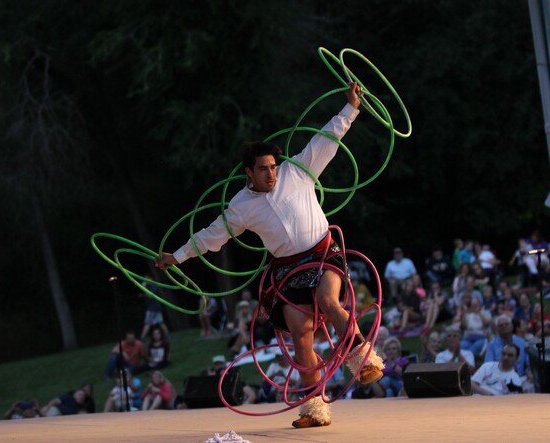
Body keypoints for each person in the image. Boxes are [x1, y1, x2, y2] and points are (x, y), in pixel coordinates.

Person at [155, 82, 384, 428]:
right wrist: (178, 255)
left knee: (328, 300)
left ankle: (365, 360)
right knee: (300, 336)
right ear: (249, 171)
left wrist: (351, 108)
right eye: (263, 169)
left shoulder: (299, 171)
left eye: (274, 166)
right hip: (289, 269)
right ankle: (315, 409)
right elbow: (212, 235)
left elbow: (327, 139)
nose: (271, 173)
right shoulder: (240, 206)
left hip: (324, 253)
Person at [484, 314, 531, 379]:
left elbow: (529, 363)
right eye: (501, 325)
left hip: (521, 378)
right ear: (497, 329)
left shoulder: (522, 342)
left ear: (512, 326)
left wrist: (529, 371)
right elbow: (488, 366)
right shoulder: (492, 345)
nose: (504, 326)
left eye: (506, 324)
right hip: (499, 379)